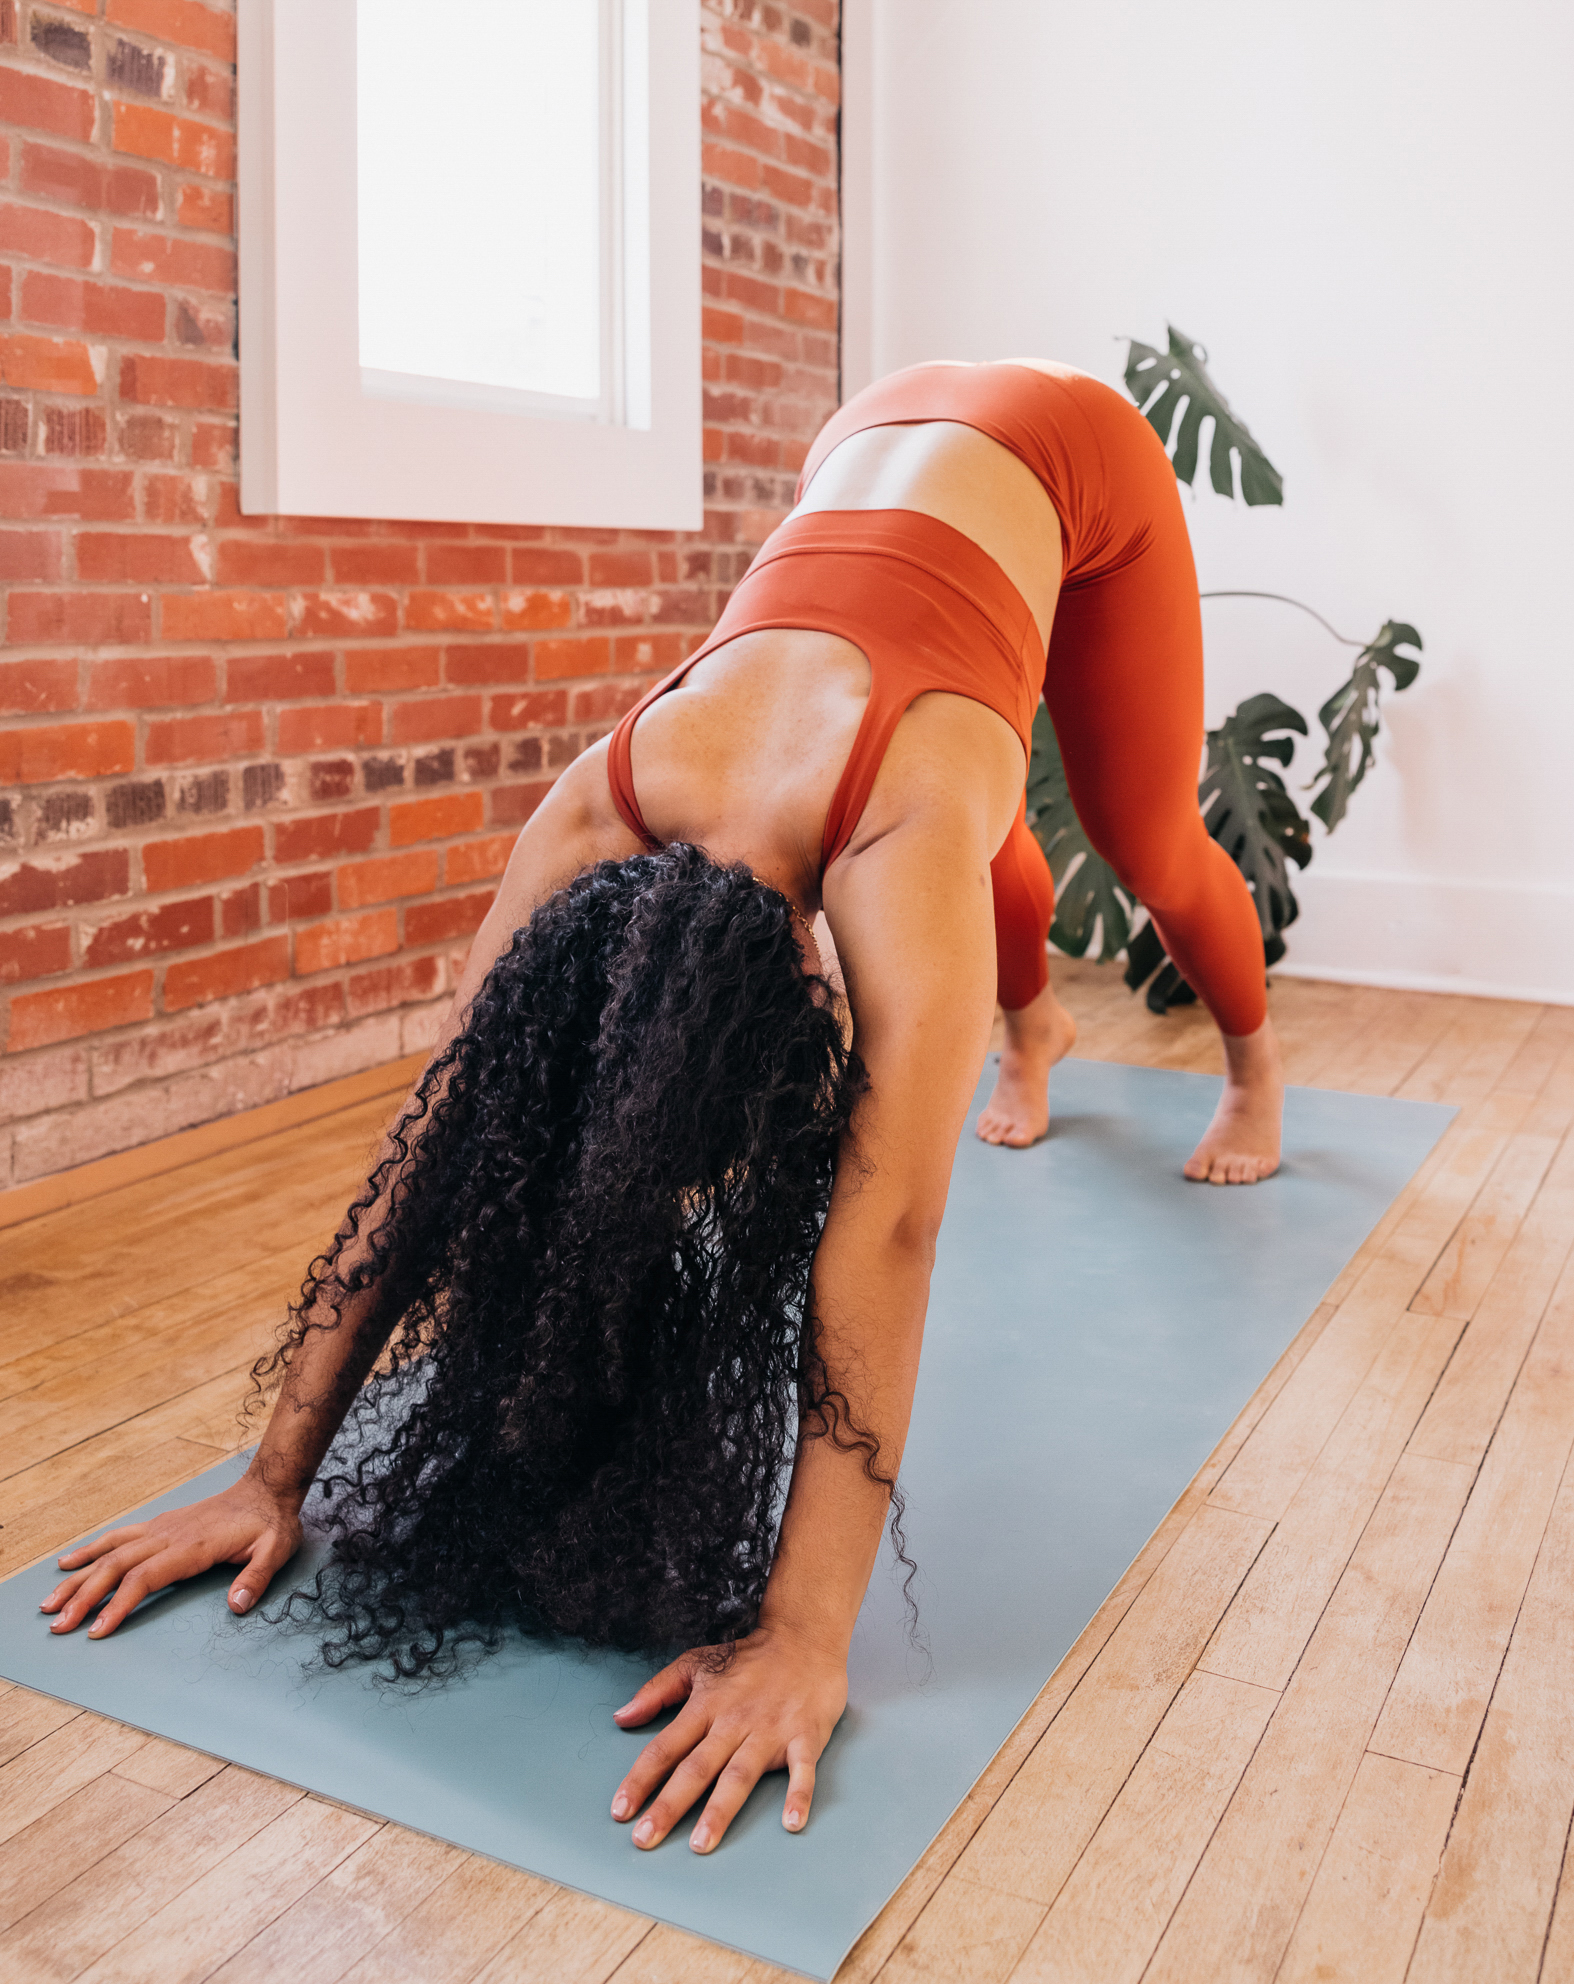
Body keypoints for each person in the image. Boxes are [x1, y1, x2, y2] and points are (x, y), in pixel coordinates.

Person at [38, 361, 1282, 1859]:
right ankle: (1028, 1030)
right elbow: (437, 1147)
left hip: (1067, 454)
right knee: (974, 812)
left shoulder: (900, 833)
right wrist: (267, 1477)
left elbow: (884, 1227)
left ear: (817, 1016)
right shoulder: (592, 809)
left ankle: (1249, 1066)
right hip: (874, 441)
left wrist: (803, 1636)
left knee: (1142, 842)